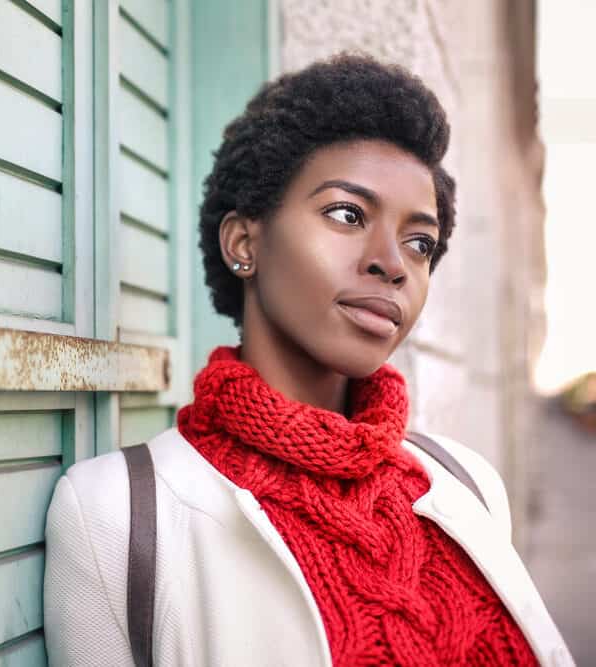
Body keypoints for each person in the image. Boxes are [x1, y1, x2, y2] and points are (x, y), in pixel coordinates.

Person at [43, 54, 575, 666]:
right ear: (245, 242)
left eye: (419, 242)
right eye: (347, 215)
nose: (393, 263)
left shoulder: (468, 486)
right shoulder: (115, 517)